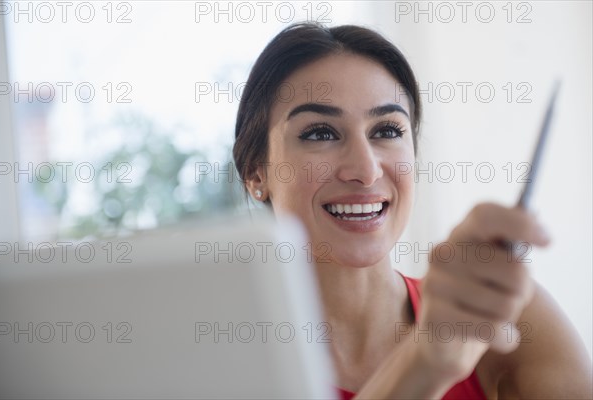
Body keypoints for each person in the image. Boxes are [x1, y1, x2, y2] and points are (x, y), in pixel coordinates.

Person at [232, 22, 592, 399]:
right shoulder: (217, 359)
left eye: (387, 131)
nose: (366, 169)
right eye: (321, 133)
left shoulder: (503, 319)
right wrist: (426, 361)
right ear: (256, 173)